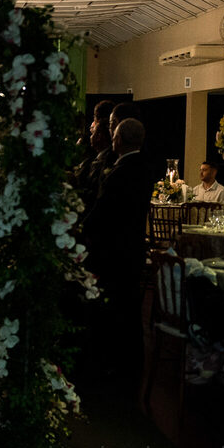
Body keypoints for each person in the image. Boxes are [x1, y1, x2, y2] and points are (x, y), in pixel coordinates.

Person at [82, 118, 155, 386]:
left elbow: (103, 211)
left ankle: (113, 363)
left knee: (114, 308)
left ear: (119, 140)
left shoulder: (120, 172)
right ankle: (133, 364)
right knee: (131, 309)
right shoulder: (144, 168)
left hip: (113, 251)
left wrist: (81, 228)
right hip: (133, 248)